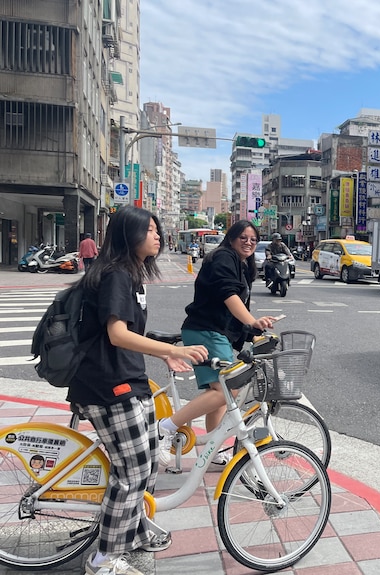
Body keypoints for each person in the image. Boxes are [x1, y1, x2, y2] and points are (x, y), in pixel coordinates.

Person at [69, 206, 208, 575]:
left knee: (145, 465)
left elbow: (129, 334)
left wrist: (163, 356)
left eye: (156, 229)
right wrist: (172, 350)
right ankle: (103, 559)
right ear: (128, 235)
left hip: (127, 380)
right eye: (149, 230)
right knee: (131, 473)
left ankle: (132, 530)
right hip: (106, 385)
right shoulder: (115, 274)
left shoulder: (131, 275)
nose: (157, 235)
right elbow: (116, 334)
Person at [157, 220, 276, 469]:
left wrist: (252, 333)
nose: (249, 242)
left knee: (220, 391)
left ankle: (213, 449)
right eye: (243, 237)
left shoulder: (242, 266)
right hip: (206, 331)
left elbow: (234, 311)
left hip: (212, 331)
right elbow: (229, 297)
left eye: (253, 239)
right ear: (231, 238)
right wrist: (253, 322)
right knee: (228, 390)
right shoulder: (224, 257)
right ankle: (166, 427)